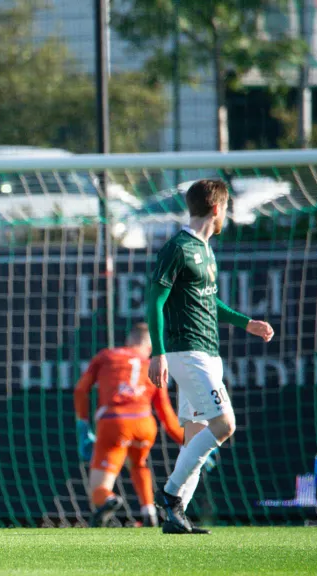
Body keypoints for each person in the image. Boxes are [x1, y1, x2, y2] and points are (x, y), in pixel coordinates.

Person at [146, 179, 275, 534]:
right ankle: (170, 494)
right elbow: (154, 301)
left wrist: (245, 322)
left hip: (208, 351)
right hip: (186, 351)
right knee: (225, 424)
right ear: (217, 208)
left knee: (197, 434)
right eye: (227, 208)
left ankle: (176, 515)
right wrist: (158, 353)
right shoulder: (178, 247)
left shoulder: (206, 249)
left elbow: (208, 301)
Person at [74, 323, 187, 528]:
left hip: (114, 423)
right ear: (149, 345)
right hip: (144, 424)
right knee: (138, 463)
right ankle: (149, 511)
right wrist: (189, 445)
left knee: (98, 489)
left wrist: (82, 424)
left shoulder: (106, 356)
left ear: (129, 340)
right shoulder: (154, 364)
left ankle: (109, 500)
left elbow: (81, 390)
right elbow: (167, 417)